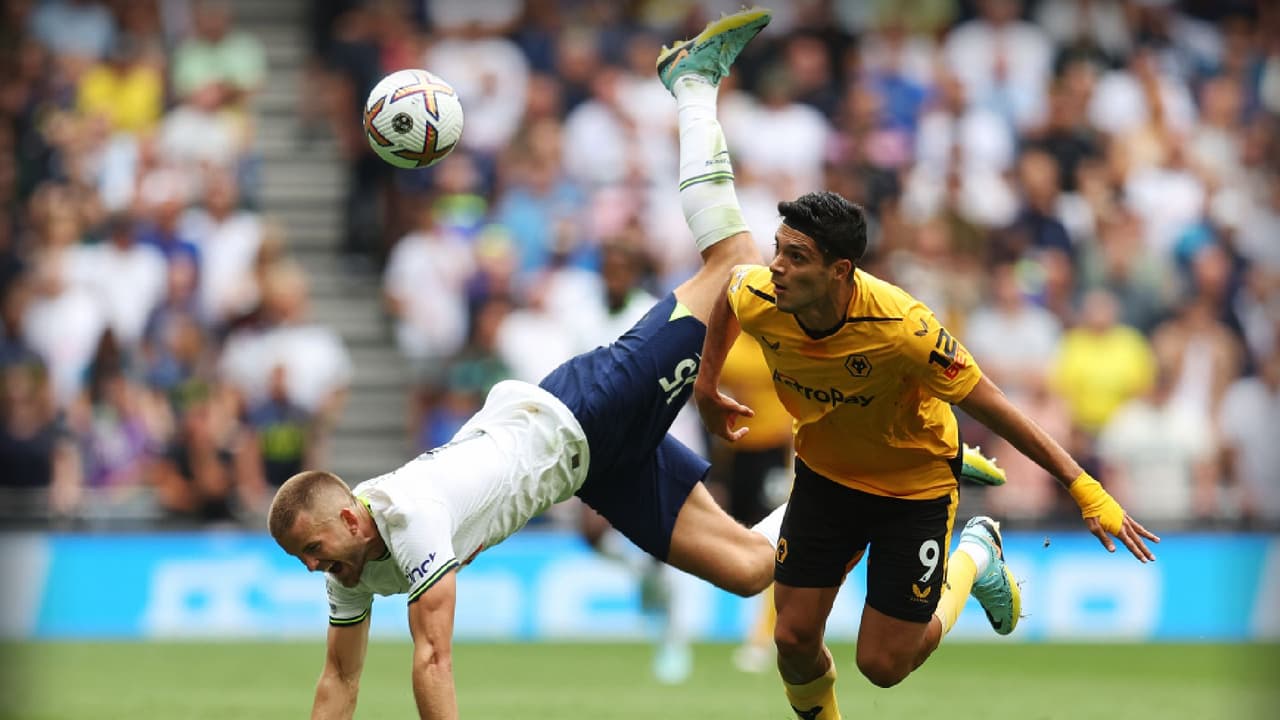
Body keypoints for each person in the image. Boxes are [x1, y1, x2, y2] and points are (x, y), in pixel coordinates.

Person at [266, 11, 785, 719]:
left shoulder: (407, 517)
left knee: (736, 266)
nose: (313, 568)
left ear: (353, 522)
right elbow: (339, 683)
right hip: (591, 466)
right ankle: (864, 478)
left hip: (584, 410)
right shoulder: (350, 561)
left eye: (315, 551)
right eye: (307, 559)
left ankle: (690, 81)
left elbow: (432, 658)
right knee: (752, 569)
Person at [679, 13, 1161, 720]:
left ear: (841, 272)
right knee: (791, 639)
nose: (776, 267)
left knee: (883, 665)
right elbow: (727, 298)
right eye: (778, 249)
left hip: (911, 487)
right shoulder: (762, 290)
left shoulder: (904, 328)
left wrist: (1082, 485)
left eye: (796, 258)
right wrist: (706, 380)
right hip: (824, 475)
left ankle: (978, 556)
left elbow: (992, 401)